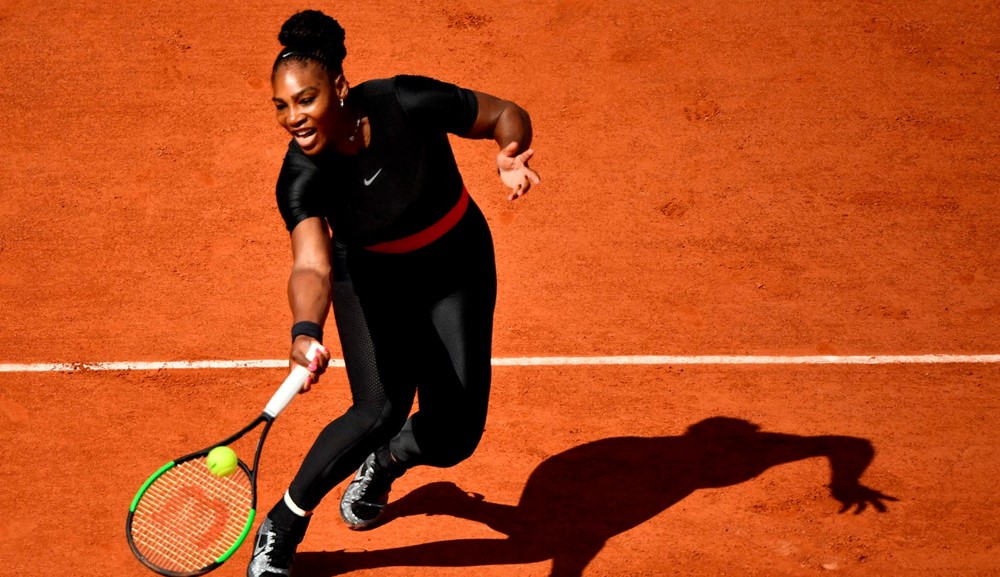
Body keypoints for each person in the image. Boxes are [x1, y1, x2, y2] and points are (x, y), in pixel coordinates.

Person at [247, 9, 540, 577]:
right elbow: (311, 265)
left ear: (338, 86)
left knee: (455, 435)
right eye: (282, 107)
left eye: (304, 100)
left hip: (456, 265)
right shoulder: (301, 176)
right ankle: (283, 523)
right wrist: (305, 331)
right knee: (380, 407)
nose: (293, 118)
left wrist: (509, 148)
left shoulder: (403, 101)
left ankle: (388, 461)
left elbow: (505, 113)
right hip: (373, 279)